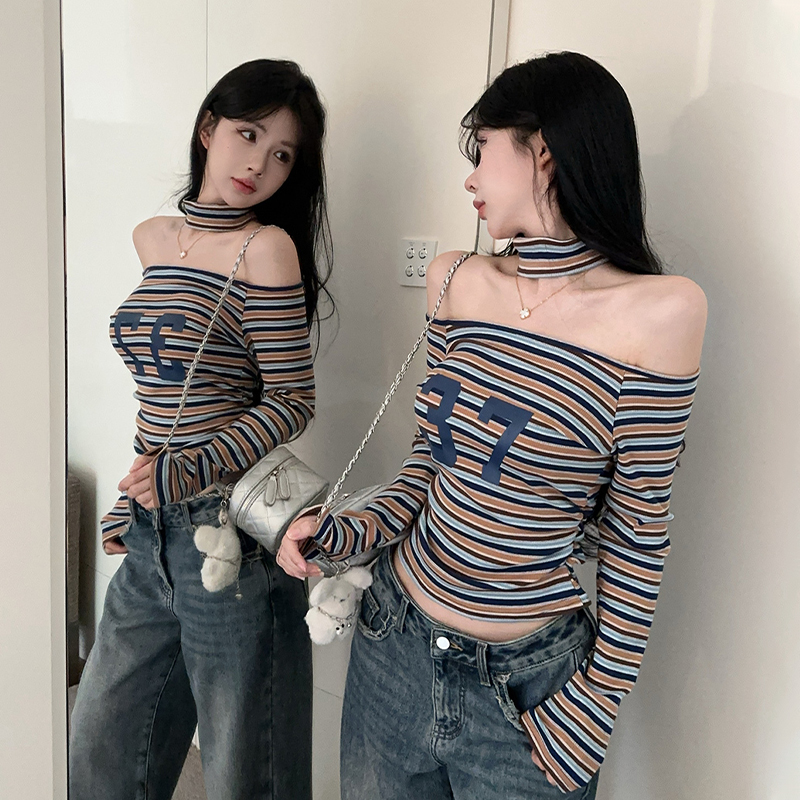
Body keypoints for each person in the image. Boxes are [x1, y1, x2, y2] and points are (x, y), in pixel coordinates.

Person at [278, 51, 707, 799]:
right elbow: (430, 465)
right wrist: (345, 531)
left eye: (483, 149)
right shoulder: (456, 279)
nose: (470, 177)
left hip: (529, 688)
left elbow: (639, 532)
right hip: (393, 644)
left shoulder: (662, 313)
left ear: (543, 150)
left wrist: (594, 706)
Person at [69, 59, 332, 800]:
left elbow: (292, 400)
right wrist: (135, 491)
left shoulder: (266, 249)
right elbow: (163, 394)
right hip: (151, 528)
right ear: (208, 128)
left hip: (228, 534)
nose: (259, 164)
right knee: (103, 752)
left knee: (246, 770)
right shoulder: (151, 237)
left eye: (282, 154)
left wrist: (186, 469)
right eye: (248, 135)